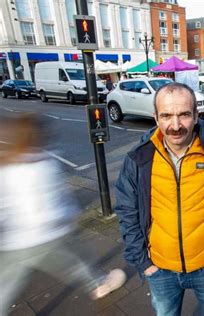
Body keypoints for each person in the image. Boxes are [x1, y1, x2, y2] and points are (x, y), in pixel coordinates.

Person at [115, 82, 204, 315]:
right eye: (167, 115)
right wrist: (144, 263)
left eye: (184, 115)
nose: (175, 125)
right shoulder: (140, 158)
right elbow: (126, 211)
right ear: (156, 117)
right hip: (160, 270)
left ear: (196, 115)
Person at [0, 114, 126, 316]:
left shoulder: (6, 165)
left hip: (15, 240)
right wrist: (71, 216)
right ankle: (99, 283)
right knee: (76, 261)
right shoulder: (44, 162)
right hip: (48, 235)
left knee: (5, 284)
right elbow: (56, 202)